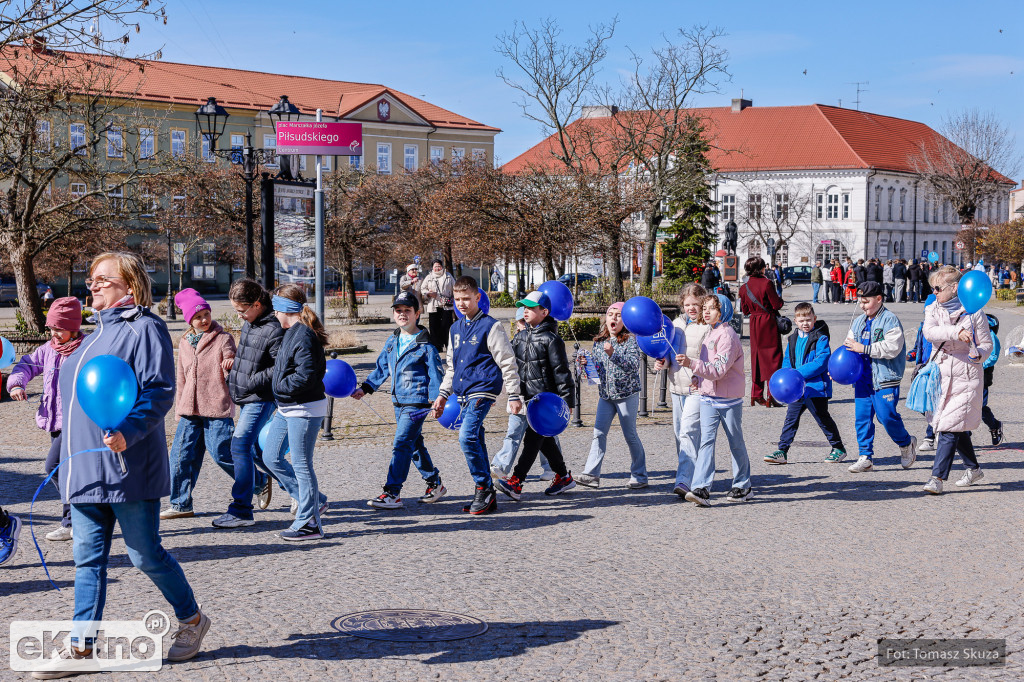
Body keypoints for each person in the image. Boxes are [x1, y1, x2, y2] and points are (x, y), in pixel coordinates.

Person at [48, 252, 209, 674]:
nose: (93, 285)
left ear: (131, 287)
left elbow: (158, 391)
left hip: (128, 468)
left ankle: (191, 620)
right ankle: (82, 647)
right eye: (91, 278)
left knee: (144, 555)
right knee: (87, 560)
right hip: (84, 470)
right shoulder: (90, 337)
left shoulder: (146, 328)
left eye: (103, 279)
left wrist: (129, 432)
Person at [433, 275, 521, 515]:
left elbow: (507, 362)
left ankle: (483, 486)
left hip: (483, 389)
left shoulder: (491, 326)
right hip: (463, 393)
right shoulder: (455, 328)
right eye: (457, 299)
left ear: (477, 298)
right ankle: (486, 494)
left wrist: (514, 395)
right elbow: (451, 366)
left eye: (466, 299)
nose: (462, 304)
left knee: (466, 436)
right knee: (477, 437)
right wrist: (442, 394)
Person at [352, 291, 447, 509]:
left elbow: (436, 374)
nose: (402, 314)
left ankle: (392, 492)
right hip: (398, 402)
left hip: (417, 402)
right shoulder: (393, 339)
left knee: (401, 444)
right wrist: (365, 388)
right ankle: (435, 483)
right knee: (413, 444)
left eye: (407, 310)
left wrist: (437, 400)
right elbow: (381, 368)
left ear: (417, 313)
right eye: (398, 311)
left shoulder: (426, 345)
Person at [7, 297, 86, 542]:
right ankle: (75, 520)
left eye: (59, 329)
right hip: (56, 420)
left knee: (54, 466)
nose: (54, 333)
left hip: (78, 422)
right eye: (51, 328)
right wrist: (16, 384)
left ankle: (76, 519)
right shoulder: (49, 349)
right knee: (67, 471)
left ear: (73, 327)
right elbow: (27, 364)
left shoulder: (86, 349)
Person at [162, 289, 239, 522]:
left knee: (221, 453)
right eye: (198, 317)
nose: (204, 320)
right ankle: (180, 503)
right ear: (189, 320)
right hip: (189, 408)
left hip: (216, 405)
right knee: (179, 456)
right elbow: (181, 377)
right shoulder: (185, 342)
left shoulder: (223, 338)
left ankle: (256, 481)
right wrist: (179, 408)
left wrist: (230, 363)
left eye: (206, 314)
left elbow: (233, 358)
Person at [260, 284, 330, 541]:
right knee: (270, 457)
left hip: (304, 409)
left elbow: (306, 376)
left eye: (275, 308)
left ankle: (309, 523)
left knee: (301, 464)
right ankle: (313, 501)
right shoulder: (290, 331)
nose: (273, 314)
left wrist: (279, 387)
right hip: (287, 407)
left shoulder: (304, 335)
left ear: (283, 309)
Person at [495, 290, 577, 500]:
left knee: (532, 441)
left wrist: (567, 400)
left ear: (544, 311)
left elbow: (561, 372)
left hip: (545, 402)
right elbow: (510, 364)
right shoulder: (520, 337)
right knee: (545, 442)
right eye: (524, 307)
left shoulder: (552, 339)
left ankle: (516, 481)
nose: (526, 310)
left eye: (531, 307)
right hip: (526, 399)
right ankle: (563, 477)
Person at [921, 266, 992, 494]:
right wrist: (955, 333)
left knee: (949, 427)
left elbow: (986, 344)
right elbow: (929, 333)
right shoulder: (933, 308)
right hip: (941, 374)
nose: (935, 292)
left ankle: (937, 478)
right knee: (949, 424)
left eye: (938, 288)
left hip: (967, 376)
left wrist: (978, 354)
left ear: (954, 288)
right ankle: (974, 468)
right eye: (932, 288)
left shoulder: (975, 312)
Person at [678, 294, 752, 505]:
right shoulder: (710, 333)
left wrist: (692, 365)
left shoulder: (727, 335)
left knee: (735, 442)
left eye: (712, 308)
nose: (706, 312)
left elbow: (718, 370)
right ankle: (701, 487)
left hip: (728, 400)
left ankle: (743, 485)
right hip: (709, 397)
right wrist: (698, 379)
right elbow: (707, 366)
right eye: (705, 308)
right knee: (706, 442)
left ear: (724, 311)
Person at [219, 279, 282, 529]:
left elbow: (281, 367)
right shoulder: (251, 323)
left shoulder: (274, 328)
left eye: (241, 310)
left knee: (239, 445)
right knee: (256, 451)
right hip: (246, 395)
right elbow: (248, 357)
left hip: (260, 397)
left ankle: (241, 510)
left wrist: (252, 379)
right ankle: (307, 495)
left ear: (257, 304)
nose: (239, 316)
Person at [843, 281, 918, 473]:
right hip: (863, 379)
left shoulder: (890, 320)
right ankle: (865, 456)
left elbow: (893, 348)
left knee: (887, 417)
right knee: (862, 419)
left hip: (885, 378)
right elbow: (849, 347)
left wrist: (865, 348)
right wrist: (839, 368)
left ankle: (906, 443)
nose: (862, 306)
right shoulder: (859, 321)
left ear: (878, 299)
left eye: (866, 302)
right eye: (860, 302)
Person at [764, 303, 846, 465]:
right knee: (791, 419)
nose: (805, 323)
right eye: (801, 321)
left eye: (808, 320)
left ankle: (838, 448)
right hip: (797, 389)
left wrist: (797, 374)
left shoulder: (820, 338)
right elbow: (787, 360)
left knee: (823, 419)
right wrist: (787, 375)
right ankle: (782, 450)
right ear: (795, 321)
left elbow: (821, 361)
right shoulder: (793, 339)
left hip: (815, 388)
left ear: (814, 319)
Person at [576, 302, 647, 489]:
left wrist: (613, 353)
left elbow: (632, 366)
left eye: (618, 315)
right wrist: (586, 364)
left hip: (626, 395)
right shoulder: (598, 342)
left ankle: (640, 475)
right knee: (598, 434)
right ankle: (591, 475)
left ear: (626, 320)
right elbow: (595, 375)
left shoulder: (631, 340)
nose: (613, 318)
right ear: (605, 318)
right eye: (610, 314)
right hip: (606, 396)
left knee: (630, 435)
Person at [654, 283, 709, 498]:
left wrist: (699, 375)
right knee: (680, 435)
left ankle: (684, 481)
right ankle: (692, 476)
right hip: (676, 387)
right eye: (687, 304)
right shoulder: (675, 325)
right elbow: (667, 352)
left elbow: (709, 359)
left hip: (697, 388)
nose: (691, 308)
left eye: (695, 304)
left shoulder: (708, 326)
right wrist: (663, 362)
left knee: (688, 432)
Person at [490, 306, 554, 482]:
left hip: (540, 398)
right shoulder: (515, 343)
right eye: (520, 322)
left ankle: (552, 468)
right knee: (514, 432)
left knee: (545, 436)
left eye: (525, 322)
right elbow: (505, 368)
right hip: (519, 397)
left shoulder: (546, 340)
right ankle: (501, 466)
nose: (523, 325)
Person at [739, 257, 783, 406]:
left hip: (754, 323)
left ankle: (756, 394)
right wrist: (780, 300)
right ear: (761, 268)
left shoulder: (743, 288)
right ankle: (772, 395)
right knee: (773, 358)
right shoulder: (767, 283)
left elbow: (744, 310)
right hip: (768, 322)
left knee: (756, 358)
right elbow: (776, 305)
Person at [420, 259, 456, 353]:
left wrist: (454, 298)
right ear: (432, 268)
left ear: (442, 266)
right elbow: (422, 288)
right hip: (433, 304)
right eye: (435, 266)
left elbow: (455, 287)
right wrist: (428, 293)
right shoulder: (429, 277)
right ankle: (437, 346)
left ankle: (448, 345)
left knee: (447, 325)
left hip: (446, 304)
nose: (437, 268)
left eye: (439, 266)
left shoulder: (448, 276)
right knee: (434, 327)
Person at [981, 314, 1003, 445]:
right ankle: (963, 436)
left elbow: (993, 356)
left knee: (980, 407)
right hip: (966, 375)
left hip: (983, 375)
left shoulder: (991, 336)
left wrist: (978, 364)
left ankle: (994, 426)